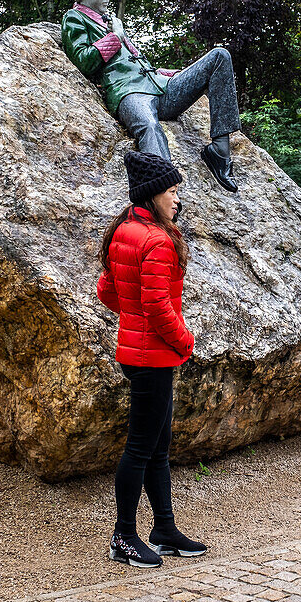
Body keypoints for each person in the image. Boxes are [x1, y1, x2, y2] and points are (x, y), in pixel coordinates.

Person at [96, 150, 207, 567]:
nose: (177, 199)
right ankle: (123, 537)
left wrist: (135, 319)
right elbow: (160, 308)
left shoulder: (125, 229)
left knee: (157, 446)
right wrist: (186, 342)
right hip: (154, 356)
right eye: (173, 191)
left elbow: (109, 290)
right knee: (141, 448)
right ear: (154, 193)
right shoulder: (158, 239)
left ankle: (163, 529)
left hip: (138, 352)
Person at [62, 0, 239, 193]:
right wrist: (116, 36)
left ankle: (219, 152)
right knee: (149, 126)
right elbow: (84, 60)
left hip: (159, 86)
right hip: (128, 92)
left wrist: (177, 75)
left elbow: (139, 62)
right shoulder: (75, 18)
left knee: (219, 56)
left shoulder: (110, 19)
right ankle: (166, 195)